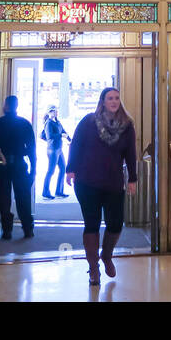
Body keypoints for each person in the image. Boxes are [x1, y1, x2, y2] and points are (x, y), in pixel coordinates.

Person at [66, 87, 137, 286]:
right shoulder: (89, 121)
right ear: (102, 101)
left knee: (115, 223)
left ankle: (106, 255)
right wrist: (70, 169)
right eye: (109, 98)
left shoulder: (127, 126)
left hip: (113, 182)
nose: (114, 101)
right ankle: (94, 268)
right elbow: (76, 144)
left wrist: (133, 178)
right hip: (87, 181)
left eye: (116, 98)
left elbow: (131, 154)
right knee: (92, 223)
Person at [0, 95, 36, 239]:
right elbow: (31, 149)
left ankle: (7, 230)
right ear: (17, 106)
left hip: (2, 165)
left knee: (3, 198)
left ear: (5, 105)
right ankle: (27, 228)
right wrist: (33, 170)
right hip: (19, 163)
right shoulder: (24, 123)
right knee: (23, 198)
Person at [39, 107, 71, 200]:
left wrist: (70, 140)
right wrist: (61, 135)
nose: (57, 112)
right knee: (51, 171)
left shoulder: (57, 121)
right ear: (50, 112)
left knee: (63, 168)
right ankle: (45, 192)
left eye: (57, 110)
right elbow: (49, 136)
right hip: (52, 150)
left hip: (59, 149)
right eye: (55, 111)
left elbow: (64, 131)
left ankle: (59, 191)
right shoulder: (48, 123)